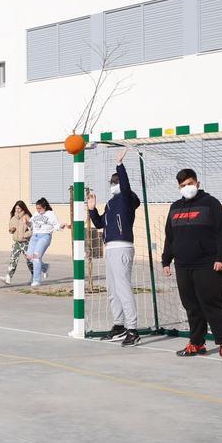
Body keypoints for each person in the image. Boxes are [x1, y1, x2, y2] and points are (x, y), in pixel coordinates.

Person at [161, 168, 222, 362]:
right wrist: (166, 260)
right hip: (183, 266)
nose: (187, 188)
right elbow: (170, 237)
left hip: (209, 265)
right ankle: (196, 343)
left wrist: (221, 258)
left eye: (190, 183)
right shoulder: (175, 207)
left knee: (212, 304)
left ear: (197, 183)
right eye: (183, 185)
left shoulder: (211, 203)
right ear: (178, 188)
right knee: (192, 306)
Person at [87, 148, 142, 346]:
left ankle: (133, 329)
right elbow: (100, 224)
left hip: (122, 247)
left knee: (123, 287)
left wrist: (120, 164)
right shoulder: (111, 203)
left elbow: (126, 186)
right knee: (112, 289)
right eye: (112, 181)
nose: (113, 183)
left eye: (116, 180)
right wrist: (92, 210)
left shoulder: (126, 199)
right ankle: (119, 324)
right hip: (109, 248)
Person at [27, 197, 69, 287]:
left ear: (44, 207)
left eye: (40, 208)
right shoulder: (35, 214)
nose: (38, 210)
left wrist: (62, 225)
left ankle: (36, 280)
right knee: (29, 257)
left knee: (36, 257)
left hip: (45, 236)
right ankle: (44, 267)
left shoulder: (50, 214)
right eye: (37, 208)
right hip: (34, 236)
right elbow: (31, 225)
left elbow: (56, 225)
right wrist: (26, 222)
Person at [0, 201, 35, 285]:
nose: (17, 210)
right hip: (16, 243)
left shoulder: (27, 217)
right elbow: (11, 229)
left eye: (19, 208)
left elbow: (33, 229)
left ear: (22, 208)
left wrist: (25, 235)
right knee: (13, 259)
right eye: (16, 208)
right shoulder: (13, 218)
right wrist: (11, 230)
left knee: (29, 261)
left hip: (25, 243)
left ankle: (35, 276)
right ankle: (8, 277)